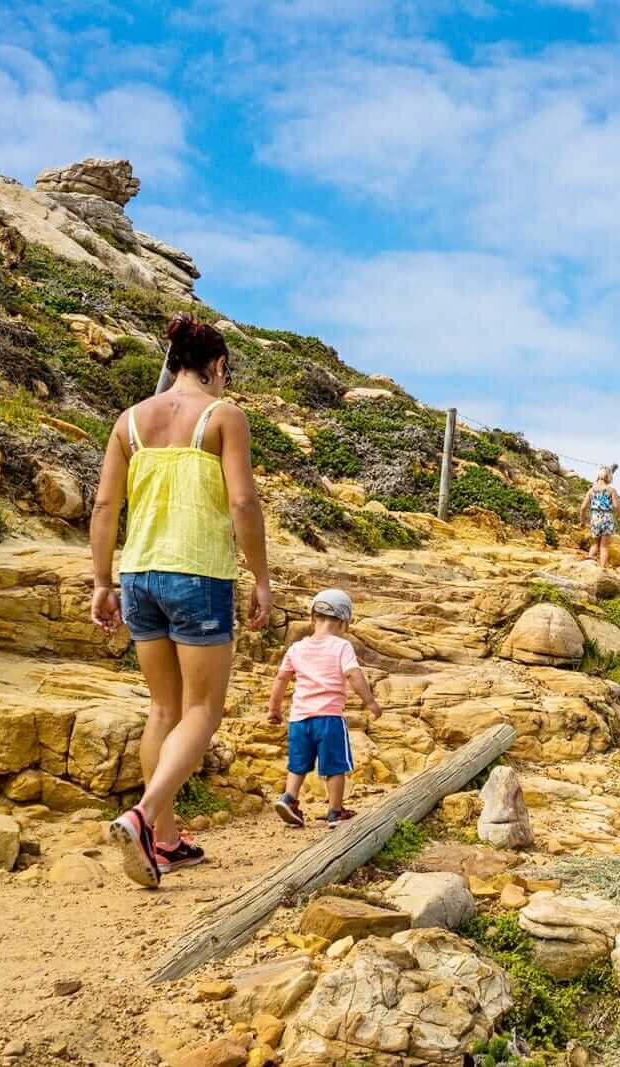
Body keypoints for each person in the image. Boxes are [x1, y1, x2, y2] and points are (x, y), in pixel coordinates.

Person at [90, 313, 272, 888]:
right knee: (202, 712)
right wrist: (261, 578)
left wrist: (101, 581)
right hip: (196, 575)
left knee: (163, 710)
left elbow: (103, 507)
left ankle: (165, 841)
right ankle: (143, 818)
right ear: (217, 366)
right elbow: (243, 505)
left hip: (139, 574)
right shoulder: (224, 416)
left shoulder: (129, 421)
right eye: (227, 371)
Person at [267, 589, 383, 829]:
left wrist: (274, 709)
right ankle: (335, 811)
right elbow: (353, 674)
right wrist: (370, 702)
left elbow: (281, 679)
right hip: (329, 718)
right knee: (335, 766)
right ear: (344, 622)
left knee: (297, 765)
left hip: (299, 719)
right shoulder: (341, 646)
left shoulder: (296, 648)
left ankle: (289, 798)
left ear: (312, 618)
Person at [579, 466, 620, 566]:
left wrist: (582, 521)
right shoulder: (611, 490)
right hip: (607, 518)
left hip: (595, 518)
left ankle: (588, 565)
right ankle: (602, 569)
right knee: (604, 547)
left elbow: (583, 508)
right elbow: (616, 506)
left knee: (594, 544)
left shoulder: (591, 490)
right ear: (609, 477)